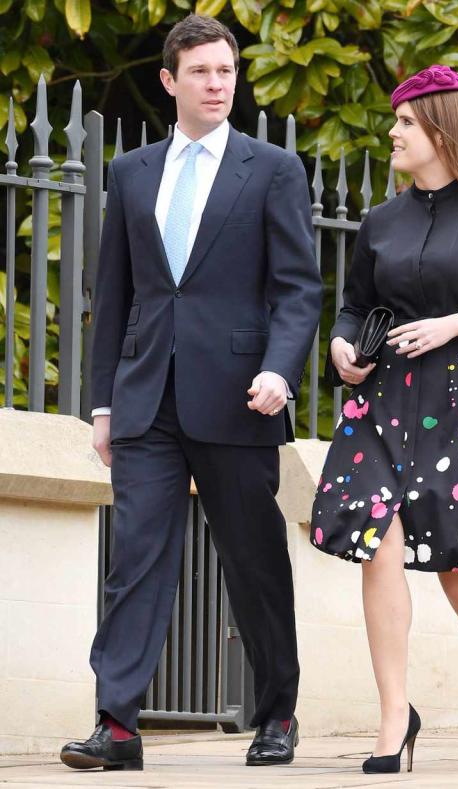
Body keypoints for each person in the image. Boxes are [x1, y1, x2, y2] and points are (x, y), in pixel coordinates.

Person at [59, 15, 323, 771]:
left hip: (242, 394)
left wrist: (279, 368)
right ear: (170, 81)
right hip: (146, 399)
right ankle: (116, 723)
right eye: (201, 72)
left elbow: (298, 288)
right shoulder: (133, 172)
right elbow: (115, 294)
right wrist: (105, 401)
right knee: (136, 556)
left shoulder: (271, 169)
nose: (217, 84)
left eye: (226, 70)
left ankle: (276, 713)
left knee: (254, 560)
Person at [311, 65, 458, 773]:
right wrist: (340, 344)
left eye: (405, 123)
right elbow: (354, 304)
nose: (393, 132)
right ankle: (394, 716)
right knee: (376, 539)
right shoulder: (381, 220)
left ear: (442, 131)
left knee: (454, 566)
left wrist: (453, 324)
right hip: (381, 400)